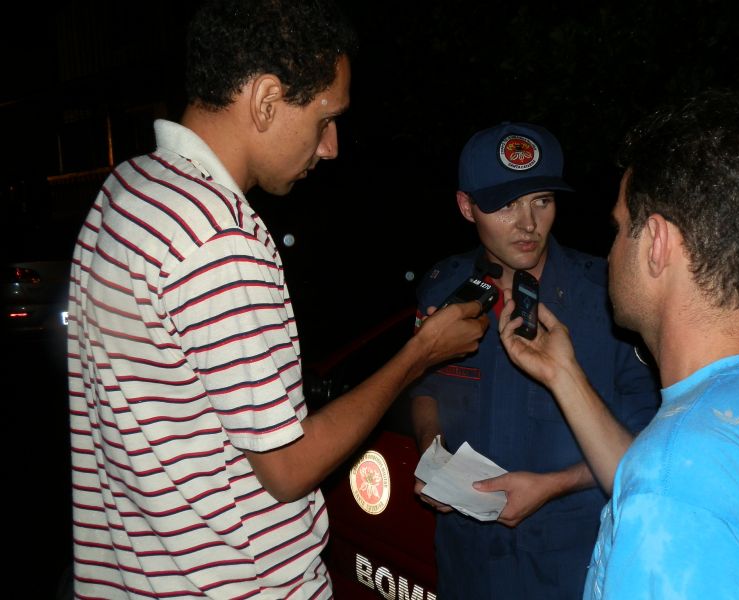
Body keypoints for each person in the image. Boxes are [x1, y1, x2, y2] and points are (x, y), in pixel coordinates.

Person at [66, 1, 488, 598]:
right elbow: (288, 468)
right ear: (266, 99)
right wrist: (419, 354)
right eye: (325, 118)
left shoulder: (128, 189)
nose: (331, 146)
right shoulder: (218, 237)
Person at [497, 89, 739, 598]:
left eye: (619, 229)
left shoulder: (674, 489)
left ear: (656, 244)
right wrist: (563, 375)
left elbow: (670, 487)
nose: (611, 253)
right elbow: (661, 475)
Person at [409, 122, 661, 599]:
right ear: (466, 206)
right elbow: (427, 387)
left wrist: (556, 484)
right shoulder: (443, 291)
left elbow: (649, 441)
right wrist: (430, 450)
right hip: (468, 558)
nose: (528, 224)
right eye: (506, 205)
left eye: (541, 201)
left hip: (571, 561)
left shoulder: (610, 298)